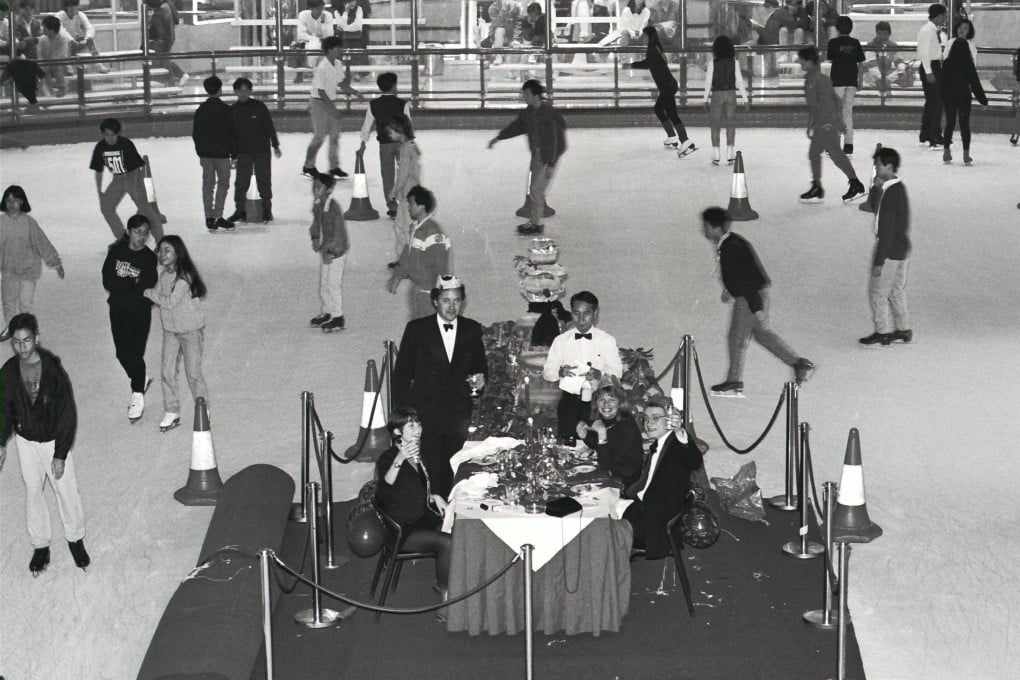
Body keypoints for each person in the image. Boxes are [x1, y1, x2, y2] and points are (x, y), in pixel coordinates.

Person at [0, 313, 89, 576]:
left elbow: (67, 413)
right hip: (26, 443)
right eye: (17, 342)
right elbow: (3, 410)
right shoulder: (8, 372)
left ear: (36, 338)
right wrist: (1, 442)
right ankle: (40, 545)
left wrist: (60, 453)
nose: (22, 347)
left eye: (27, 340)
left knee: (66, 490)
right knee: (33, 491)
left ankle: (75, 539)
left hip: (52, 442)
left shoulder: (53, 371)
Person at [700, 206, 815, 395]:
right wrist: (729, 290)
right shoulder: (729, 242)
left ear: (716, 228)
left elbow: (746, 280)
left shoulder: (730, 247)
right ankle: (799, 364)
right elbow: (739, 272)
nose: (704, 230)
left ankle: (734, 381)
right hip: (752, 295)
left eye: (706, 227)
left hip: (749, 298)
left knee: (736, 338)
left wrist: (757, 309)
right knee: (762, 335)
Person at [392, 275, 488, 498]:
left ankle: (453, 515)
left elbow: (480, 365)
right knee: (432, 474)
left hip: (459, 415)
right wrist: (406, 418)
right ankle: (434, 515)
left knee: (456, 472)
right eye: (446, 300)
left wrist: (481, 379)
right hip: (426, 416)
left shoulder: (472, 329)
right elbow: (401, 376)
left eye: (457, 300)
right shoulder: (417, 329)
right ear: (435, 301)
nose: (452, 306)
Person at [374, 408, 452, 599]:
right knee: (448, 542)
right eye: (411, 425)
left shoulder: (418, 456)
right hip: (402, 529)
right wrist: (400, 458)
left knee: (456, 526)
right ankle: (445, 594)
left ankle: (457, 580)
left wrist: (434, 496)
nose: (417, 429)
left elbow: (412, 488)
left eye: (418, 424)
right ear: (397, 431)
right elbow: (386, 486)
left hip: (420, 518)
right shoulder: (388, 457)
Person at [619, 395, 703, 559]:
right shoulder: (660, 443)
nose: (648, 423)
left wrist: (680, 432)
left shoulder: (676, 446)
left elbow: (694, 460)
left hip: (656, 521)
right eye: (646, 418)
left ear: (670, 420)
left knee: (601, 525)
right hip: (647, 506)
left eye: (655, 418)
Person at [143, 236, 209, 433]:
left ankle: (203, 408)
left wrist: (147, 292)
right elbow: (158, 297)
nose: (162, 254)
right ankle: (172, 410)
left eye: (167, 250)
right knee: (167, 372)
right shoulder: (163, 275)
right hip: (171, 332)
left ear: (178, 253)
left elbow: (169, 302)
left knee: (193, 374)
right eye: (160, 250)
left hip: (191, 331)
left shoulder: (185, 277)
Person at [487, 79, 568, 235]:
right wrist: (499, 138)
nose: (524, 97)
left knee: (536, 190)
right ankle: (534, 222)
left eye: (526, 95)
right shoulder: (529, 113)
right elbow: (516, 127)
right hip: (537, 155)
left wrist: (551, 164)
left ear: (536, 96)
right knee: (535, 190)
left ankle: (536, 224)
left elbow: (557, 142)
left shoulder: (549, 115)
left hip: (547, 156)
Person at [542, 291, 623, 443]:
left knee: (598, 444)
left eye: (586, 314)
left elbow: (617, 372)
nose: (580, 319)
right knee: (567, 444)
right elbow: (547, 372)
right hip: (569, 402)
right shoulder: (561, 341)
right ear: (571, 313)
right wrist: (560, 372)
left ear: (595, 314)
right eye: (576, 313)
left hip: (597, 403)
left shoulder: (606, 340)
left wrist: (600, 373)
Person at [102, 214, 158, 422]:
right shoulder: (116, 251)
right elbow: (107, 279)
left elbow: (147, 284)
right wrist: (129, 285)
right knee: (121, 352)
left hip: (139, 311)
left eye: (146, 233)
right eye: (137, 232)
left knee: (134, 352)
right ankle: (140, 378)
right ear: (128, 232)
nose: (142, 237)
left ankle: (137, 394)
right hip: (117, 309)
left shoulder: (149, 258)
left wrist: (123, 286)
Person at [796, 46, 866, 204]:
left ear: (809, 61)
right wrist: (838, 121)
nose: (800, 64)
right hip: (825, 122)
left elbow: (819, 105)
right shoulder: (821, 78)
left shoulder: (814, 80)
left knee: (835, 154)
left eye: (802, 61)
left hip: (825, 123)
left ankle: (855, 183)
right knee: (814, 153)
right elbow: (836, 100)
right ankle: (817, 186)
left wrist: (822, 123)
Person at [859, 147, 911, 348]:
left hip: (890, 251)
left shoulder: (891, 194)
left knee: (877, 292)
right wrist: (875, 188)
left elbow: (887, 231)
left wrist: (879, 262)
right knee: (896, 291)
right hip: (901, 249)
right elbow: (874, 208)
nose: (876, 167)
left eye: (878, 164)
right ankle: (904, 329)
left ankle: (882, 333)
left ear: (889, 166)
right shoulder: (894, 188)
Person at [0, 185, 64, 342]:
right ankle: (10, 326)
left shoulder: (29, 223)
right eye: (8, 200)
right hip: (8, 270)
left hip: (28, 270)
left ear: (22, 202)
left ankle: (27, 330)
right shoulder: (1, 223)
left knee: (25, 302)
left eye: (16, 200)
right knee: (8, 302)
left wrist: (56, 263)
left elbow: (42, 243)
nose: (12, 204)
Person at [89, 117, 166, 241]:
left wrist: (134, 189)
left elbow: (135, 168)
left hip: (133, 176)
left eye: (113, 135)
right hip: (118, 179)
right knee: (106, 207)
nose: (110, 138)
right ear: (103, 134)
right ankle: (122, 238)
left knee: (145, 208)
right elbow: (98, 170)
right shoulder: (100, 147)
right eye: (107, 135)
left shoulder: (126, 144)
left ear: (118, 134)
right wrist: (99, 192)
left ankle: (160, 237)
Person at [628, 25, 696, 157]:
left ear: (650, 37)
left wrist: (631, 64)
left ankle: (685, 140)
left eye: (644, 37)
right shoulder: (656, 48)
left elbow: (647, 63)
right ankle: (672, 136)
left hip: (666, 86)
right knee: (658, 109)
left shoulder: (653, 50)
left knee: (672, 114)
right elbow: (650, 63)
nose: (643, 39)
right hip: (668, 85)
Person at [386, 186, 450, 320]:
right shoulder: (415, 228)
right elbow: (406, 256)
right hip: (417, 288)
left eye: (411, 204)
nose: (408, 208)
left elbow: (440, 266)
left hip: (428, 291)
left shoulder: (432, 233)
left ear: (421, 207)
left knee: (426, 325)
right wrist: (398, 276)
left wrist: (437, 294)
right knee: (417, 322)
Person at [228, 78, 281, 224]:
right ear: (235, 92)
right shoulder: (233, 110)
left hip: (261, 150)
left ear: (250, 91)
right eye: (240, 90)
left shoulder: (259, 107)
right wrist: (233, 155)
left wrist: (275, 145)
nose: (243, 93)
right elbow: (231, 135)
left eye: (246, 90)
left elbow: (269, 126)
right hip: (243, 152)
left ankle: (267, 210)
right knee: (241, 183)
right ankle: (240, 211)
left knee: (264, 180)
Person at [359, 71, 411, 219]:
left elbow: (367, 125)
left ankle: (392, 206)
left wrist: (363, 144)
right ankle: (406, 203)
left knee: (387, 175)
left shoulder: (374, 105)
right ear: (394, 86)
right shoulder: (402, 104)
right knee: (405, 173)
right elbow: (408, 124)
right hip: (401, 143)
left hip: (384, 145)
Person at [576, 376, 644, 488]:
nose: (606, 404)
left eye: (612, 400)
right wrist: (585, 435)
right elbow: (604, 447)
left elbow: (606, 464)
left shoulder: (627, 427)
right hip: (611, 476)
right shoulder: (609, 420)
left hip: (625, 486)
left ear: (620, 403)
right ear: (596, 403)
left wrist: (601, 433)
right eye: (601, 400)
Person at [302, 36, 349, 179]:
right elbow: (321, 92)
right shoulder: (322, 67)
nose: (341, 50)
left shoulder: (338, 64)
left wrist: (354, 92)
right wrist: (333, 110)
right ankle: (308, 166)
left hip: (329, 101)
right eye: (339, 48)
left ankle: (334, 167)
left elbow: (341, 82)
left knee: (335, 136)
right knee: (319, 136)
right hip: (318, 103)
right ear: (331, 49)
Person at [192, 75, 235, 233]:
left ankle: (208, 217)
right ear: (220, 90)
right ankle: (218, 215)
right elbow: (232, 134)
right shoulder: (226, 110)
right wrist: (234, 154)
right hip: (222, 154)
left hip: (205, 154)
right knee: (223, 183)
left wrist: (200, 151)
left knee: (208, 185)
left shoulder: (201, 110)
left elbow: (196, 133)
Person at [941, 18, 987, 165]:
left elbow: (942, 82)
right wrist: (983, 100)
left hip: (949, 96)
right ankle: (966, 155)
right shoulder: (968, 65)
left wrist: (941, 96)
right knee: (964, 125)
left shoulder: (947, 63)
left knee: (949, 124)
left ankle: (946, 151)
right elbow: (975, 84)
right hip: (963, 96)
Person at [308, 172, 349, 333]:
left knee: (333, 284)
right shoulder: (318, 204)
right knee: (324, 283)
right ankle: (327, 311)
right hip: (326, 250)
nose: (315, 190)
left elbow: (339, 232)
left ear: (329, 189)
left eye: (319, 187)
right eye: (314, 187)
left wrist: (332, 251)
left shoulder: (333, 207)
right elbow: (316, 223)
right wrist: (315, 237)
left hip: (336, 252)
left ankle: (338, 317)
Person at [702, 34, 748, 165]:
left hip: (717, 94)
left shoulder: (712, 64)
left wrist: (705, 99)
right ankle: (730, 153)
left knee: (715, 124)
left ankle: (716, 153)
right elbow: (739, 81)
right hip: (731, 94)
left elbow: (708, 83)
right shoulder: (735, 63)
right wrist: (745, 98)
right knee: (730, 124)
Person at [826, 15, 865, 155]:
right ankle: (849, 144)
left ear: (837, 29)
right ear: (851, 28)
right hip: (851, 81)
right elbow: (861, 63)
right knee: (847, 112)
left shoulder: (833, 43)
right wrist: (860, 80)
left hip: (837, 81)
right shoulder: (855, 43)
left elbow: (830, 59)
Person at [387, 114, 422, 263]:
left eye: (391, 131)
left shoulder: (405, 149)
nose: (389, 134)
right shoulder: (411, 146)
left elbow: (403, 174)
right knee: (404, 226)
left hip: (407, 195)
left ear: (399, 130)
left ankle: (407, 261)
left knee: (404, 227)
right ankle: (404, 259)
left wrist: (394, 191)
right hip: (411, 194)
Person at [916, 3, 948, 149]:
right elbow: (924, 53)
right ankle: (935, 135)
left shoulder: (933, 30)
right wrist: (929, 71)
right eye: (944, 16)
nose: (945, 19)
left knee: (932, 102)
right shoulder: (927, 31)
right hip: (930, 66)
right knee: (936, 102)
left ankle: (926, 134)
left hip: (933, 66)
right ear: (939, 16)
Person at [145, 0, 187, 87]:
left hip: (161, 40)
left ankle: (173, 83)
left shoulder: (160, 10)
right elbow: (176, 20)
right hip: (168, 38)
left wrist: (150, 37)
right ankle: (179, 77)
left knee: (164, 62)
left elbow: (155, 29)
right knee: (164, 60)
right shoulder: (168, 5)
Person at [57, 0, 108, 72]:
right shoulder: (60, 16)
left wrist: (86, 39)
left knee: (90, 40)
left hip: (76, 44)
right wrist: (71, 40)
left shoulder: (80, 15)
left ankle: (99, 64)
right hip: (63, 47)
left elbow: (89, 27)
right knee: (66, 42)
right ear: (66, 7)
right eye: (71, 6)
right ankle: (68, 66)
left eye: (75, 6)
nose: (73, 8)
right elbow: (60, 31)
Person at [292, 0, 334, 78]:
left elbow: (329, 35)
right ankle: (306, 71)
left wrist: (323, 23)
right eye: (317, 9)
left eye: (322, 8)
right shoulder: (303, 15)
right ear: (311, 9)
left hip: (323, 42)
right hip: (306, 42)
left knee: (323, 46)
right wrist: (315, 39)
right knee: (311, 45)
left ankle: (317, 71)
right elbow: (301, 35)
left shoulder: (328, 15)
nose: (320, 11)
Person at [37, 16, 71, 98]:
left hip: (60, 64)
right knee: (42, 70)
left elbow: (61, 55)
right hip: (46, 64)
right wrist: (44, 65)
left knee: (57, 67)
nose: (42, 29)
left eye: (44, 27)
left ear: (51, 30)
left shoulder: (62, 39)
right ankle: (49, 92)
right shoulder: (42, 40)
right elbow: (40, 55)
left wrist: (49, 64)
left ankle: (62, 88)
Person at [336, 0, 367, 69]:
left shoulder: (359, 9)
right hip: (343, 40)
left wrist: (344, 28)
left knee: (358, 61)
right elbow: (341, 24)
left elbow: (357, 25)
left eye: (353, 1)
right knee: (343, 61)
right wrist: (346, 12)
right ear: (344, 2)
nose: (352, 3)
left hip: (357, 39)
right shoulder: (337, 12)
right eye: (349, 2)